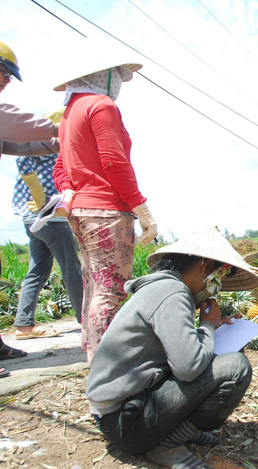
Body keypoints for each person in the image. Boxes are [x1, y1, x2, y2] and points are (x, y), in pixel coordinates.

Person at [85, 227, 258, 469]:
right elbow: (188, 367)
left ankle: (178, 430)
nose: (218, 285)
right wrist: (207, 326)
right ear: (206, 266)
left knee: (226, 357)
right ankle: (167, 444)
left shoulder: (166, 289)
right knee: (235, 367)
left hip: (125, 411)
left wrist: (208, 328)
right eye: (220, 275)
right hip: (125, 421)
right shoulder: (172, 292)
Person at [52, 53, 158, 362]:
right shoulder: (102, 106)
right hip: (107, 210)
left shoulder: (70, 113)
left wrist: (70, 190)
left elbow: (60, 168)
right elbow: (114, 160)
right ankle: (107, 368)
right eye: (117, 75)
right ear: (104, 75)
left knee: (94, 287)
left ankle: (92, 354)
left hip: (82, 212)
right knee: (111, 291)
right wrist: (142, 208)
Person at [0, 40, 62, 373]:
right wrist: (59, 129)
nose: (6, 81)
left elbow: (15, 145)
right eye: (4, 73)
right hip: (42, 215)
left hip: (38, 214)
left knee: (34, 269)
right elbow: (16, 124)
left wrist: (54, 140)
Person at [11, 154, 84, 340]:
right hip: (50, 217)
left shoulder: (41, 142)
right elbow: (22, 161)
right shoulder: (45, 141)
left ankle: (24, 325)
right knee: (71, 269)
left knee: (36, 272)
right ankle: (85, 320)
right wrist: (40, 197)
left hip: (31, 218)